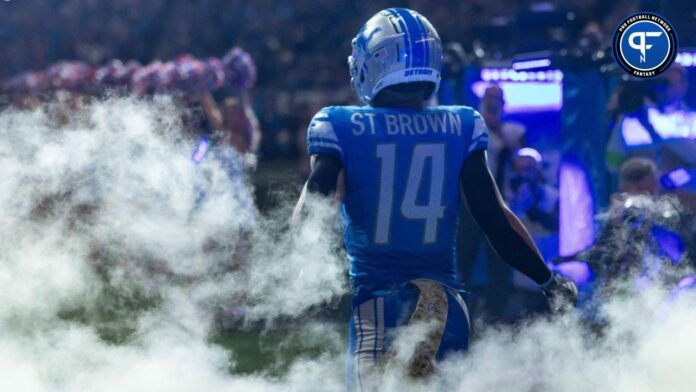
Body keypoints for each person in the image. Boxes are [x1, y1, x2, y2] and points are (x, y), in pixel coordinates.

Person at [292, 8, 577, 390]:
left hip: (383, 304)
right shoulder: (460, 123)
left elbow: (317, 203)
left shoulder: (339, 125)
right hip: (448, 308)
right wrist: (548, 281)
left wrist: (292, 265)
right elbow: (495, 219)